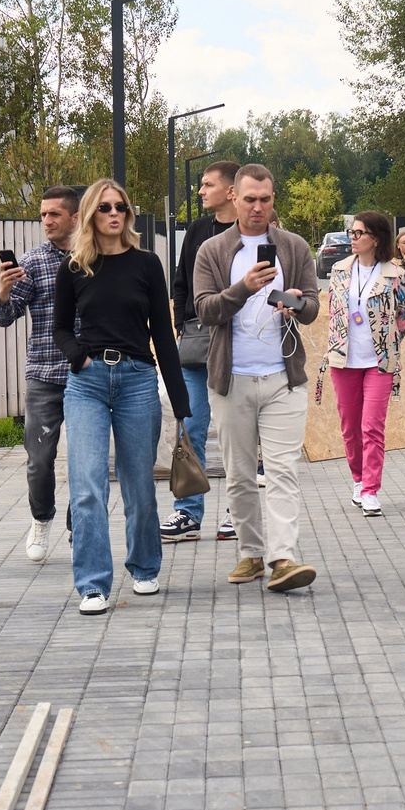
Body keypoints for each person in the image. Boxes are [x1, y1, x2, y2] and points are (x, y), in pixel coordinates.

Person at [52, 180, 190, 614]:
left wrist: (181, 403)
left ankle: (145, 566)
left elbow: (162, 336)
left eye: (121, 207)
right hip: (87, 384)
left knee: (139, 486)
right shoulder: (74, 267)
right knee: (88, 487)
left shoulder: (147, 265)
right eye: (105, 208)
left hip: (136, 381)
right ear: (91, 214)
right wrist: (78, 358)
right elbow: (59, 328)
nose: (115, 214)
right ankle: (93, 584)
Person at [192, 164, 324, 593]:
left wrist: (297, 305)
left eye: (265, 199)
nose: (258, 207)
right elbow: (205, 310)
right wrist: (244, 288)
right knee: (240, 474)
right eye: (249, 199)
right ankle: (251, 554)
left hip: (283, 377)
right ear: (233, 197)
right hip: (232, 379)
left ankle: (282, 558)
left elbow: (313, 308)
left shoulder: (294, 246)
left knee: (283, 470)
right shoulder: (212, 250)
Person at [0, 184, 83, 564]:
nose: (46, 221)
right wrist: (2, 293)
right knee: (39, 459)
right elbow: (5, 318)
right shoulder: (31, 263)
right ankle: (41, 519)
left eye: (54, 214)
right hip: (44, 373)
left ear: (74, 218)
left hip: (85, 373)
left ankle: (79, 527)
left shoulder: (94, 257)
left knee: (85, 458)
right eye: (43, 214)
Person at [164, 159, 240, 543]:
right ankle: (187, 514)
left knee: (236, 429)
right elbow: (180, 281)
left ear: (230, 191)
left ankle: (236, 511)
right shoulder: (196, 230)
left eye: (207, 185)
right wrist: (182, 324)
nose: (199, 191)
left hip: (238, 344)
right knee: (190, 426)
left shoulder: (254, 232)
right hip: (195, 342)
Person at [322, 210, 405, 518]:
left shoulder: (395, 273)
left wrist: (387, 338)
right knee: (350, 427)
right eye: (352, 233)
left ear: (376, 238)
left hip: (379, 361)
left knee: (372, 426)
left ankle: (371, 489)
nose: (353, 239)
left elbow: (404, 316)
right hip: (343, 359)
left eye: (359, 233)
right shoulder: (340, 270)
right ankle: (358, 480)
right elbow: (333, 310)